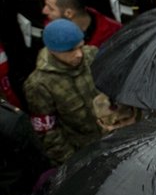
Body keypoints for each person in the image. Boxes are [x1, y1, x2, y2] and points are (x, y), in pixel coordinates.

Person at [23, 19, 100, 165]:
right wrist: (73, 163)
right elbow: (49, 134)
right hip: (83, 153)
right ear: (53, 50)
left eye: (80, 47)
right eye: (70, 50)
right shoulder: (39, 84)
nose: (78, 54)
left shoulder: (92, 55)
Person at [42, 0, 121, 48]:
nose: (44, 11)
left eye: (51, 8)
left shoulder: (113, 33)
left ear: (69, 13)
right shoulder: (51, 25)